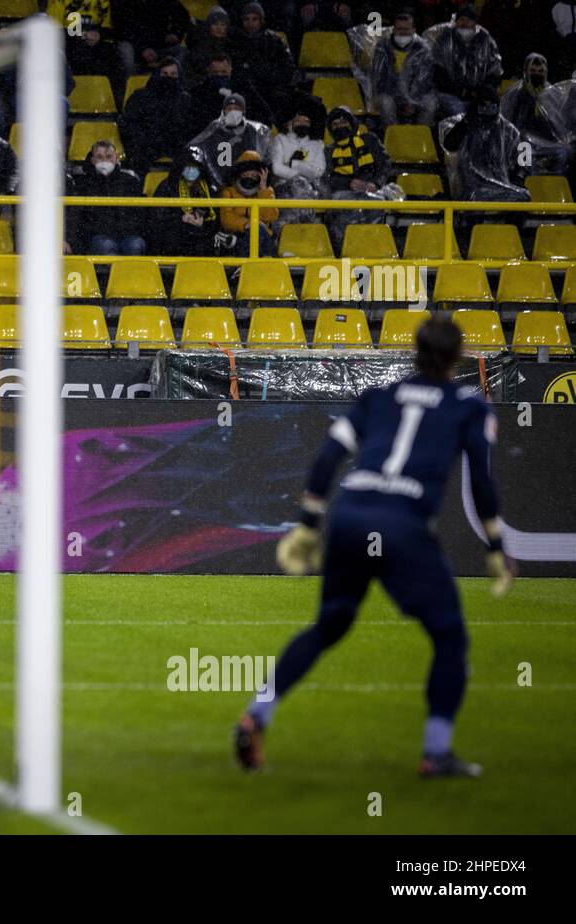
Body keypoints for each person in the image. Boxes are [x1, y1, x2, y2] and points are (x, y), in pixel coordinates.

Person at [236, 316, 514, 778]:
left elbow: (329, 456)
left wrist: (308, 526)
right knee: (449, 636)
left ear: (415, 350)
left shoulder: (379, 397)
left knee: (329, 625)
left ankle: (256, 714)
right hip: (403, 524)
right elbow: (482, 480)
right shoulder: (470, 406)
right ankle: (436, 752)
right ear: (457, 357)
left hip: (350, 516)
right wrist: (496, 544)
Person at [439, 84, 532, 202]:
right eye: (483, 106)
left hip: (502, 185)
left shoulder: (509, 130)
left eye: (492, 106)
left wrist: (519, 177)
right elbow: (449, 145)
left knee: (524, 197)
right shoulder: (463, 124)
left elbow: (525, 151)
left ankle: (511, 221)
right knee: (477, 198)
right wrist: (467, 121)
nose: (488, 111)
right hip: (472, 187)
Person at [324, 105, 394, 249]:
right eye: (335, 124)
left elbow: (385, 165)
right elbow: (328, 176)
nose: (339, 127)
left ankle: (372, 248)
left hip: (372, 189)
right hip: (344, 191)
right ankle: (345, 250)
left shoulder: (370, 140)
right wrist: (349, 183)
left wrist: (376, 184)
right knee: (344, 206)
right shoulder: (329, 151)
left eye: (343, 122)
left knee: (376, 203)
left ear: (351, 123)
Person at [65, 140, 147, 256]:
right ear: (93, 160)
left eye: (109, 157)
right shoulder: (83, 183)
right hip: (96, 237)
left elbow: (140, 214)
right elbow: (75, 215)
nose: (105, 161)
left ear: (116, 159)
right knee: (105, 245)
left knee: (136, 245)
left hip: (127, 236)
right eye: (99, 157)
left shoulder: (130, 181)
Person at [501, 52, 571, 176]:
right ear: (526, 71)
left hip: (546, 141)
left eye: (540, 71)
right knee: (524, 154)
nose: (536, 74)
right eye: (533, 71)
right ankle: (528, 184)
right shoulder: (516, 93)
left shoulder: (552, 94)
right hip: (522, 140)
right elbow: (510, 123)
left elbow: (558, 124)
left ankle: (554, 186)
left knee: (563, 151)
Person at [119, 56, 190, 177]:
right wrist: (143, 139)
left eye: (173, 74)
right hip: (146, 145)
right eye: (165, 73)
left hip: (176, 145)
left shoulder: (186, 100)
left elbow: (190, 127)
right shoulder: (140, 97)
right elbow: (128, 123)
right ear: (157, 74)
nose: (168, 78)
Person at [428, 7, 504, 119]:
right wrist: (462, 91)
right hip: (450, 94)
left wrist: (480, 92)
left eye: (469, 20)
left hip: (479, 94)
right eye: (462, 19)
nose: (465, 23)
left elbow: (494, 72)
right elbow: (438, 74)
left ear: (475, 22)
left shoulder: (486, 41)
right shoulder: (444, 40)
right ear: (456, 21)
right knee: (458, 113)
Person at [229, 2, 296, 126]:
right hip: (246, 92)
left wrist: (266, 74)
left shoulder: (274, 40)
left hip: (271, 91)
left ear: (262, 20)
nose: (250, 23)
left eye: (254, 19)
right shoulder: (235, 41)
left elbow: (287, 69)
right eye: (246, 19)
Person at [188, 92, 273, 188]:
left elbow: (266, 160)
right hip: (221, 186)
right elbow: (195, 148)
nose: (233, 112)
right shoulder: (214, 129)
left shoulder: (256, 131)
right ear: (223, 111)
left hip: (250, 186)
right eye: (229, 109)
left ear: (243, 111)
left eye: (237, 108)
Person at [147, 146, 219, 257]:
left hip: (201, 237)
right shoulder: (167, 186)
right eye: (188, 166)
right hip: (175, 236)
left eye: (195, 167)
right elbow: (157, 218)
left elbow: (216, 219)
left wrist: (203, 224)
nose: (191, 170)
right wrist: (180, 219)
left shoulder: (209, 189)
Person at [371, 11, 437, 128]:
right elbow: (380, 81)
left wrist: (412, 101)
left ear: (414, 30)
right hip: (388, 94)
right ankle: (395, 137)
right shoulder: (382, 49)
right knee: (387, 104)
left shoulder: (423, 50)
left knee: (430, 103)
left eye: (406, 29)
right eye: (399, 29)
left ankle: (419, 137)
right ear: (393, 29)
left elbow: (425, 81)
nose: (402, 32)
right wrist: (402, 101)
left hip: (415, 97)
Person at [268, 105, 326, 220]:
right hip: (284, 186)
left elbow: (319, 171)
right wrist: (300, 176)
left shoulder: (317, 144)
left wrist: (294, 164)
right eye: (299, 120)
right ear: (291, 122)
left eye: (307, 121)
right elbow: (277, 168)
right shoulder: (280, 139)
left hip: (311, 188)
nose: (303, 123)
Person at [218, 150, 279, 256]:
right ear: (239, 174)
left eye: (254, 175)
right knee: (252, 231)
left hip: (263, 237)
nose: (250, 177)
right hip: (238, 233)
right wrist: (246, 224)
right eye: (246, 174)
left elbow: (271, 216)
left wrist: (263, 191)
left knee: (258, 230)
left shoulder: (267, 191)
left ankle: (242, 264)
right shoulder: (229, 192)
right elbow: (226, 219)